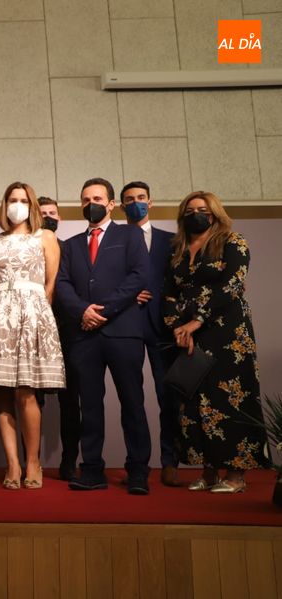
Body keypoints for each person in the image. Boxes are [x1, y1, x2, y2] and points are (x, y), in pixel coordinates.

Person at [162, 191, 268, 493]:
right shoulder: (178, 249)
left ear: (215, 213)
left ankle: (236, 475)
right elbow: (169, 293)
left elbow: (232, 284)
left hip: (228, 333)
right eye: (191, 210)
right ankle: (207, 472)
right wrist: (177, 327)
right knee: (196, 401)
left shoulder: (234, 242)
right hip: (190, 335)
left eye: (203, 210)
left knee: (230, 398)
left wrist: (198, 320)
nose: (197, 214)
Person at [55, 177, 152, 494]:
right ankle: (92, 469)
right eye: (85, 199)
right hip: (84, 336)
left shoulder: (130, 235)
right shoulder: (69, 246)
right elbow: (62, 286)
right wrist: (83, 311)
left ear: (112, 204)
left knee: (132, 403)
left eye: (97, 198)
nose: (90, 203)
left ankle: (138, 470)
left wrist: (104, 312)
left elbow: (139, 276)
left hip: (123, 332)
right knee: (90, 406)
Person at [0, 183, 64, 490]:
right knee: (2, 392)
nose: (17, 205)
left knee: (25, 392)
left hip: (32, 314)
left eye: (23, 200)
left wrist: (38, 320)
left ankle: (32, 461)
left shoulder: (46, 237)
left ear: (32, 206)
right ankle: (12, 463)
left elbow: (51, 286)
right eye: (12, 200)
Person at [120, 181, 183, 487]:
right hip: (126, 327)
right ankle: (138, 465)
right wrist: (127, 296)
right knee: (131, 399)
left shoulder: (172, 242)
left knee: (167, 396)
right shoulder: (113, 241)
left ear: (151, 202)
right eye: (130, 199)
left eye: (141, 198)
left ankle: (170, 460)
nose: (136, 203)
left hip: (163, 328)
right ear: (121, 206)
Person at [36, 196, 82, 480]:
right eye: (43, 213)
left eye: (53, 213)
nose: (49, 217)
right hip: (35, 330)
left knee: (70, 400)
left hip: (67, 331)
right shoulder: (26, 247)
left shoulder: (71, 250)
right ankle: (32, 461)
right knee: (33, 399)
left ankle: (69, 460)